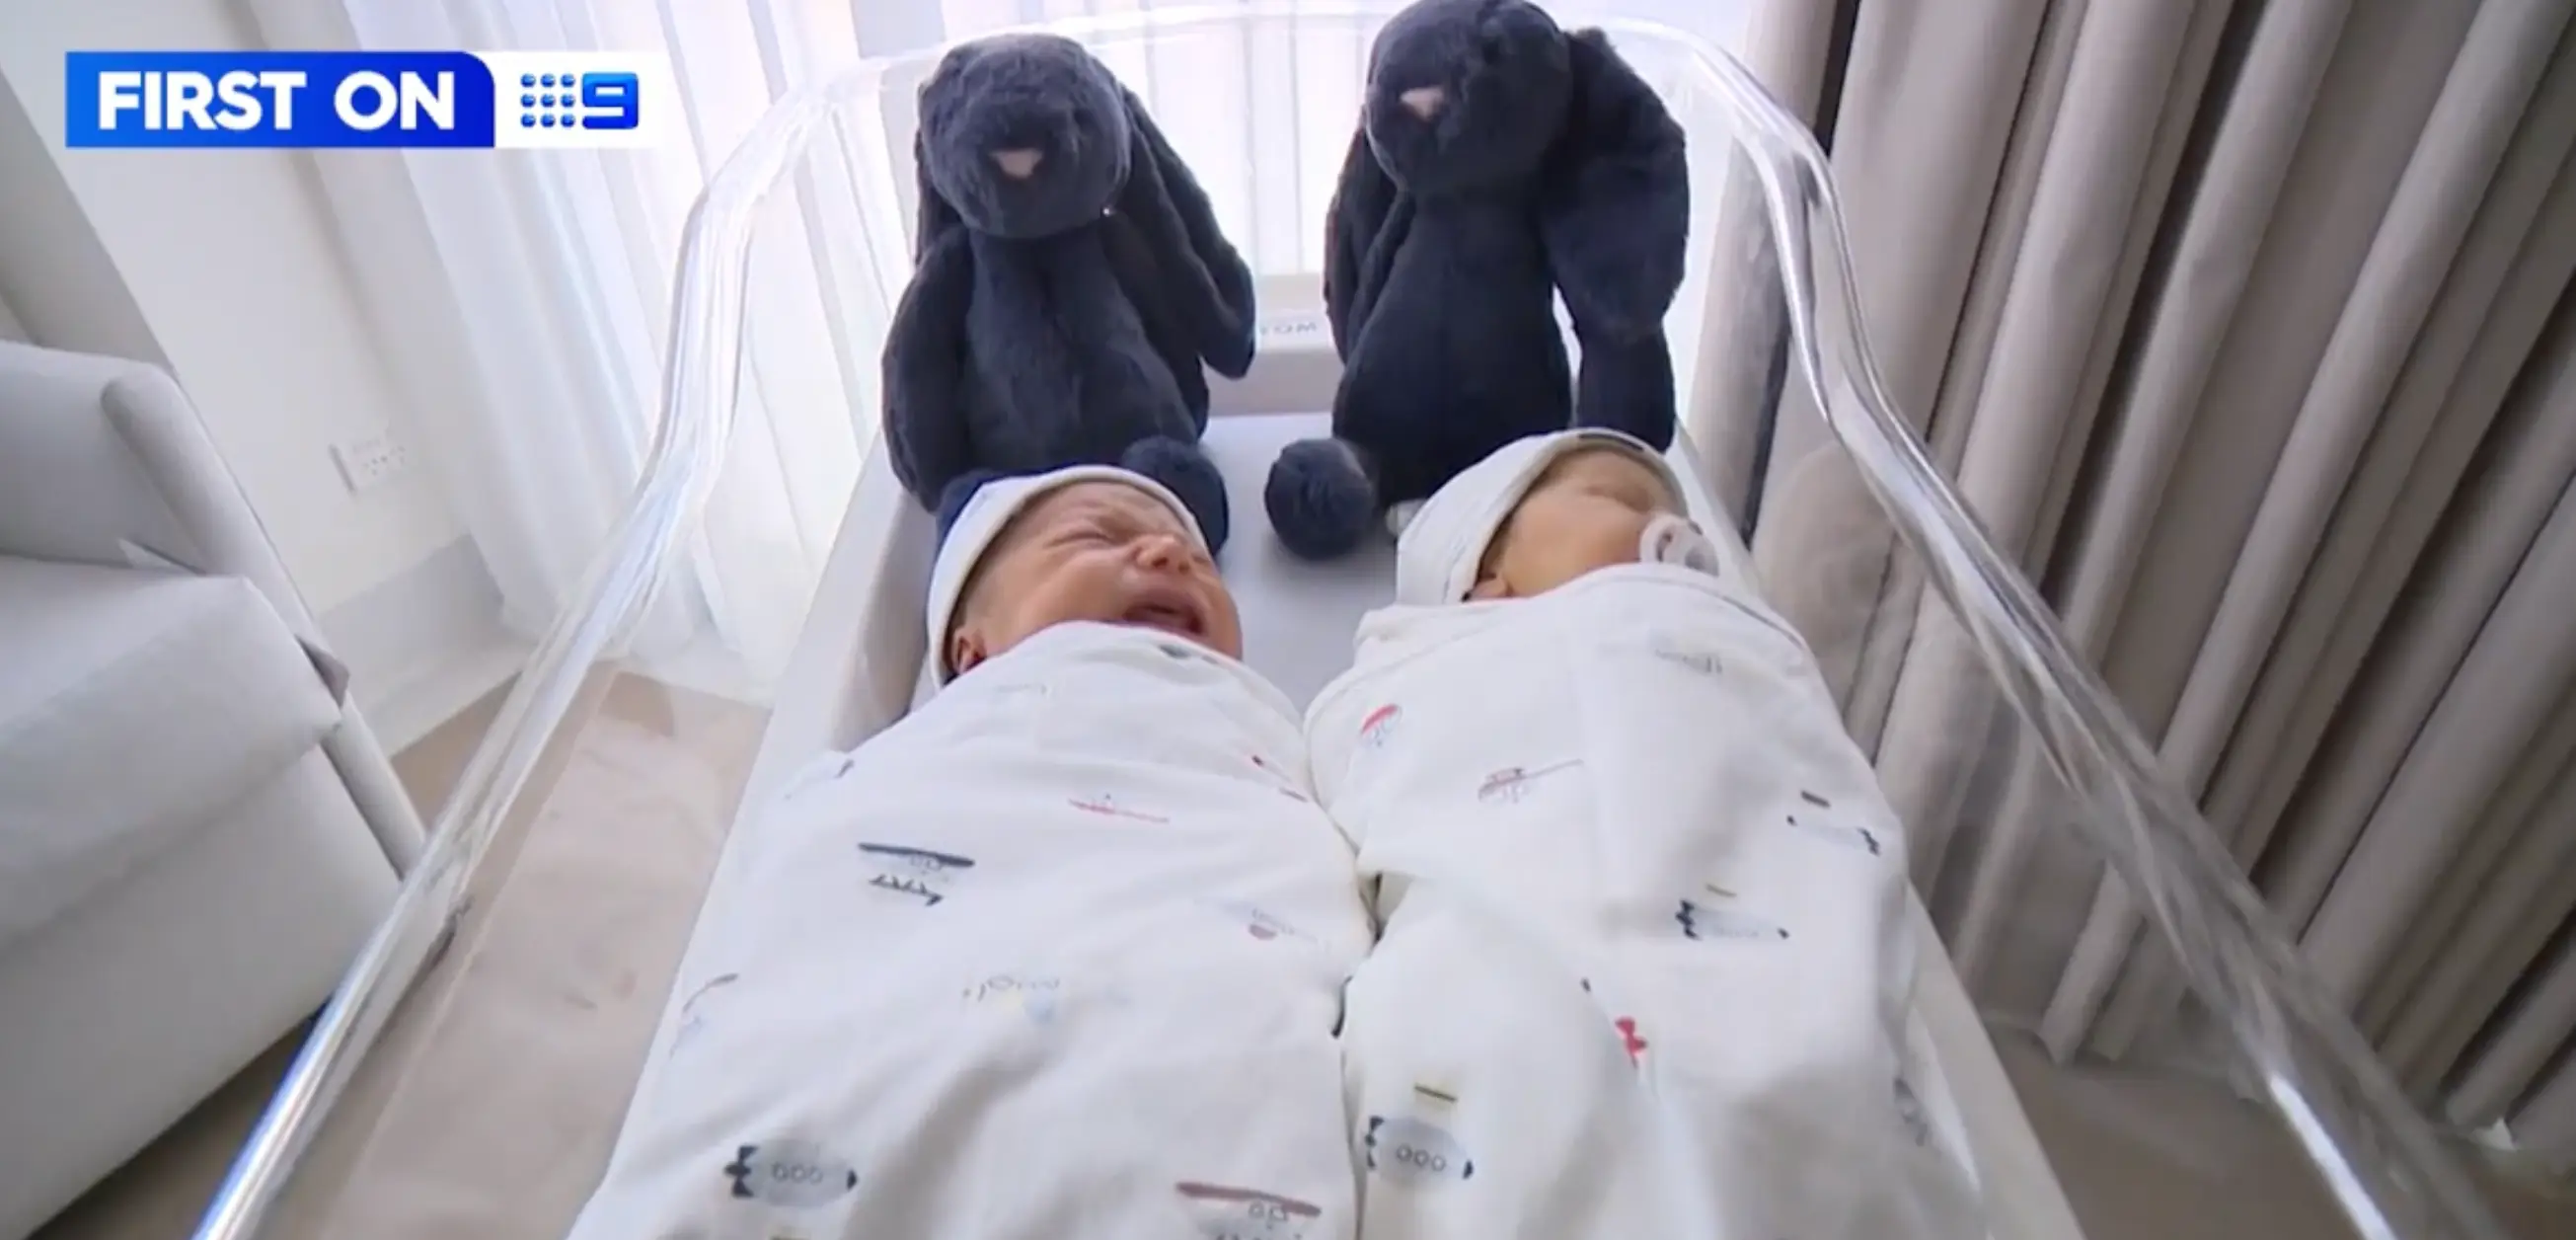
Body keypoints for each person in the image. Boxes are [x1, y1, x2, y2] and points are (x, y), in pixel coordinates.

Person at [568, 465, 1373, 1240]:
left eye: (1199, 563)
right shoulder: (944, 741)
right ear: (972, 650)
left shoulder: (1280, 747)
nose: (1167, 554)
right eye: (1096, 537)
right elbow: (810, 872)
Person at [1306, 429, 1988, 1240]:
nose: (1681, 536)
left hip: (1768, 952)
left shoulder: (1739, 648)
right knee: (1489, 1043)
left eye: (1687, 524)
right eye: (1618, 500)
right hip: (1512, 964)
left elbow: (1803, 778)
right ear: (1484, 573)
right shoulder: (1422, 673)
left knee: (1817, 1056)